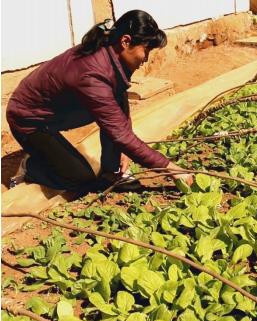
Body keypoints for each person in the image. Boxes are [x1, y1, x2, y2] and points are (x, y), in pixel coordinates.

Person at [7, 9, 193, 192]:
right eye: (146, 50)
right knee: (80, 179)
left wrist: (122, 149)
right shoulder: (92, 76)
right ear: (126, 41)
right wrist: (171, 169)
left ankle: (111, 171)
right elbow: (119, 133)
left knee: (114, 111)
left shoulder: (110, 53)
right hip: (29, 121)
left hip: (54, 112)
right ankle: (32, 166)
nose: (146, 59)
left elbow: (119, 105)